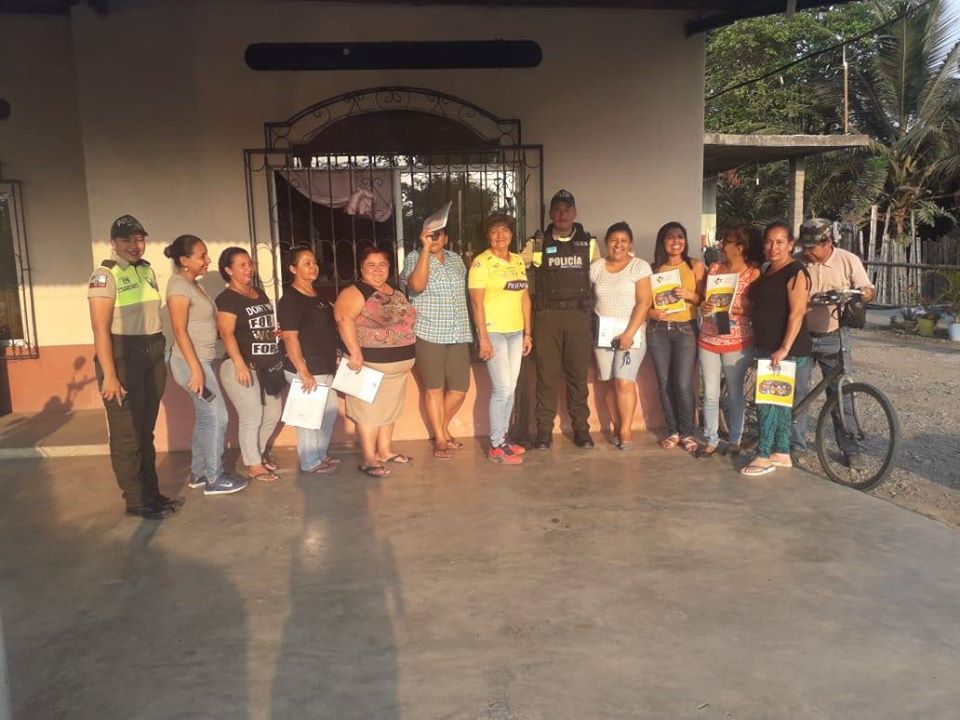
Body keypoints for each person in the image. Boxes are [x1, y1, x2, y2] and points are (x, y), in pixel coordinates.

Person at [87, 215, 182, 520]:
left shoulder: (147, 271)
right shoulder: (105, 275)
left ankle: (151, 493)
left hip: (150, 353)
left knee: (145, 431)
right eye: (126, 240)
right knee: (127, 434)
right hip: (122, 355)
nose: (134, 245)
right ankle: (136, 500)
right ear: (113, 243)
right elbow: (100, 330)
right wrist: (110, 375)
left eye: (139, 239)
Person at [166, 235, 248, 496]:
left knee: (205, 416)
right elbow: (179, 330)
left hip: (201, 362)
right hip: (191, 363)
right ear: (184, 260)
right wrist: (196, 370)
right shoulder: (178, 286)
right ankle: (215, 477)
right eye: (202, 256)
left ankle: (199, 472)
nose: (208, 260)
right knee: (218, 416)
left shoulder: (194, 285)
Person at [793, 218, 876, 468]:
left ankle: (850, 447)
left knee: (840, 393)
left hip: (834, 336)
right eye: (805, 247)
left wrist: (862, 294)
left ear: (828, 241)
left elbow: (867, 289)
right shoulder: (796, 262)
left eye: (812, 247)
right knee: (797, 392)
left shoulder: (847, 260)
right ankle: (795, 445)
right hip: (801, 336)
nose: (808, 252)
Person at [334, 246, 417, 477]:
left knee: (389, 409)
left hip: (399, 366)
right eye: (371, 265)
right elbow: (343, 319)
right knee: (368, 412)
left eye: (382, 264)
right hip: (368, 365)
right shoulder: (355, 292)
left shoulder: (395, 290)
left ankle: (385, 451)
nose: (377, 269)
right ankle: (369, 459)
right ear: (361, 268)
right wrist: (355, 353)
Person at [528, 189, 600, 449]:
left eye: (567, 209)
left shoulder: (589, 244)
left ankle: (582, 431)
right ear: (550, 214)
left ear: (575, 213)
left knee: (577, 378)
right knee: (546, 378)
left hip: (578, 317)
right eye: (557, 210)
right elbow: (514, 268)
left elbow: (601, 277)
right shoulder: (537, 242)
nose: (562, 214)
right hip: (547, 317)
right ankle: (543, 433)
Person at [741, 221, 812, 476]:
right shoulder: (767, 269)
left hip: (785, 351)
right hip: (766, 346)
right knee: (778, 404)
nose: (774, 247)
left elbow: (797, 313)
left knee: (768, 402)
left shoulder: (796, 272)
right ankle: (781, 452)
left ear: (791, 244)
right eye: (769, 242)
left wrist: (784, 348)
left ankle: (763, 456)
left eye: (780, 242)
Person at [401, 222, 473, 460]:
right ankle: (441, 439)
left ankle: (439, 429)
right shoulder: (414, 258)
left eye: (437, 235)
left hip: (458, 332)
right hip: (429, 332)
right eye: (429, 235)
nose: (433, 239)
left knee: (459, 390)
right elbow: (417, 286)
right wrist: (424, 250)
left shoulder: (456, 259)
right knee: (434, 388)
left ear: (446, 238)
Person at [216, 247, 286, 483]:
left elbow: (259, 326)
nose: (249, 269)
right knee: (252, 415)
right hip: (240, 364)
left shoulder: (259, 293)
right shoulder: (227, 298)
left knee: (273, 413)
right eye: (242, 265)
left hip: (267, 364)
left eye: (250, 264)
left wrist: (272, 332)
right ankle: (254, 464)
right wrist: (239, 364)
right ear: (228, 270)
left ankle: (257, 453)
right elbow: (226, 333)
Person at [468, 213, 533, 465]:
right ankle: (495, 446)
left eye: (504, 230)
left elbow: (524, 297)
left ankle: (504, 438)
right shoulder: (480, 263)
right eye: (494, 231)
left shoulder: (517, 260)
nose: (500, 236)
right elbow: (477, 304)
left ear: (511, 234)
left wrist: (528, 333)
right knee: (502, 389)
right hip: (493, 332)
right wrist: (483, 338)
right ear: (487, 235)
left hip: (516, 332)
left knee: (511, 388)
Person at [277, 246, 342, 475]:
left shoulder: (318, 295)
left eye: (314, 262)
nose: (313, 267)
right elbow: (290, 338)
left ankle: (319, 453)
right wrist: (303, 371)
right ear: (293, 269)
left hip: (324, 365)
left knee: (329, 411)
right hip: (306, 367)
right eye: (306, 263)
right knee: (308, 415)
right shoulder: (290, 300)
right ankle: (309, 461)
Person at [698, 225, 760, 457]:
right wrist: (705, 305)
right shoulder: (714, 268)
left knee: (735, 392)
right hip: (709, 338)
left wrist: (736, 308)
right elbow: (704, 299)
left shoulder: (752, 273)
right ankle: (711, 439)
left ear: (740, 247)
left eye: (727, 242)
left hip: (737, 341)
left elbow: (756, 308)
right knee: (710, 393)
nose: (722, 245)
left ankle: (735, 439)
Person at [589, 221, 652, 450]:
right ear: (606, 242)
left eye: (624, 241)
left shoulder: (639, 266)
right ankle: (616, 426)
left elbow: (644, 302)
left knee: (624, 381)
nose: (619, 245)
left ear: (630, 243)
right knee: (608, 381)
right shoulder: (596, 267)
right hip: (603, 334)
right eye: (614, 240)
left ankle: (626, 430)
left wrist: (629, 333)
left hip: (631, 334)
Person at [647, 221, 705, 453]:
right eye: (670, 237)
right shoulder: (653, 269)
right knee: (664, 383)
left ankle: (687, 433)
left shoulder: (695, 265)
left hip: (686, 330)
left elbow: (705, 300)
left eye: (680, 236)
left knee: (683, 384)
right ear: (662, 241)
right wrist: (652, 312)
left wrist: (689, 295)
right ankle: (673, 431)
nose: (676, 241)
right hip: (658, 330)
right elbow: (644, 303)